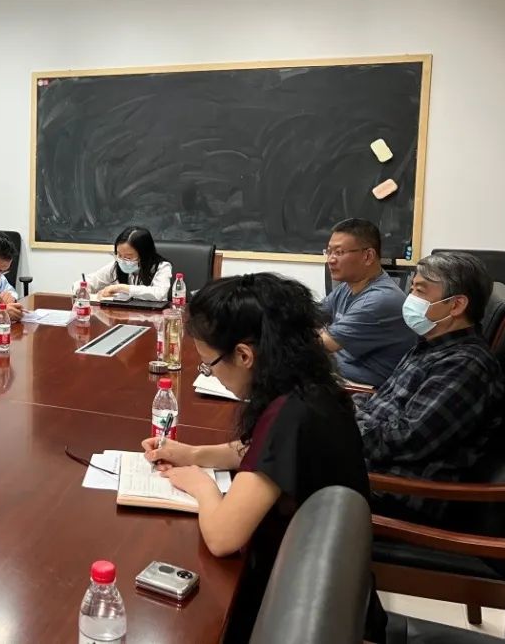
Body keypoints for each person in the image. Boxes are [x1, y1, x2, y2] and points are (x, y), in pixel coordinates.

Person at [140, 273, 382, 643]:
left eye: (209, 364)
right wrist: (193, 454)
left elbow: (223, 538)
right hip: (328, 590)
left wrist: (201, 486)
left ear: (244, 355)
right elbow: (260, 450)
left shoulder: (290, 414)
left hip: (296, 609)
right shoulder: (310, 388)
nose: (211, 374)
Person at [356, 252, 503, 521]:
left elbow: (406, 440)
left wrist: (346, 427)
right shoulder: (430, 345)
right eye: (412, 288)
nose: (409, 298)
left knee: (288, 465)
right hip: (372, 468)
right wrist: (346, 411)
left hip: (395, 494)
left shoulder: (464, 366)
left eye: (420, 291)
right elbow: (383, 402)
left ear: (456, 305)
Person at [320, 218, 415, 386]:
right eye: (329, 252)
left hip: (365, 390)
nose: (331, 259)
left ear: (368, 256)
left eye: (339, 252)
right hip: (338, 376)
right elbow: (312, 315)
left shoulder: (378, 300)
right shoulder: (347, 287)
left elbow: (321, 345)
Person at [81, 226, 172, 301]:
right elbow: (91, 280)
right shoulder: (116, 266)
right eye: (119, 255)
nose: (122, 260)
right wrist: (81, 289)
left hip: (153, 315)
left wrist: (121, 288)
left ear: (144, 254)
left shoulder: (162, 267)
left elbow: (159, 294)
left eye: (128, 257)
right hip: (124, 314)